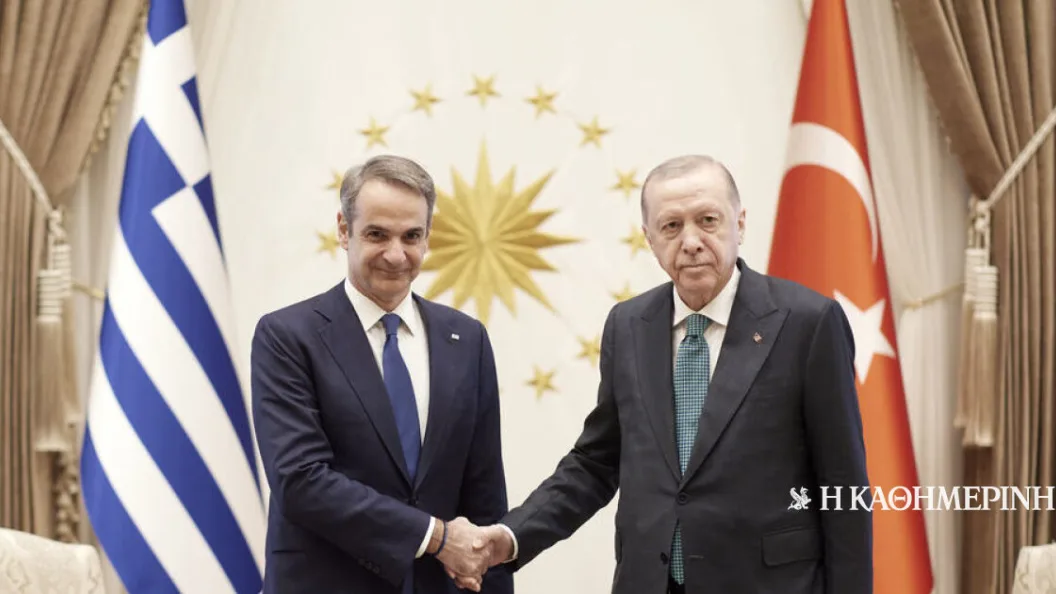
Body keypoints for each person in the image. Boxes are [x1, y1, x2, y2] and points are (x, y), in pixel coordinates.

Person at [457, 155, 873, 593]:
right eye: (671, 226)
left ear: (740, 224)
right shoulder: (628, 325)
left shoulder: (808, 322)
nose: (691, 242)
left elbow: (844, 486)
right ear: (650, 239)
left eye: (708, 220)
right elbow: (596, 462)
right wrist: (513, 535)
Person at [250, 155, 513, 594]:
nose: (396, 254)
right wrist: (435, 536)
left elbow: (484, 495)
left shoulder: (466, 340)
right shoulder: (288, 337)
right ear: (343, 229)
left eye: (412, 236)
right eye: (377, 234)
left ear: (428, 236)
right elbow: (300, 480)